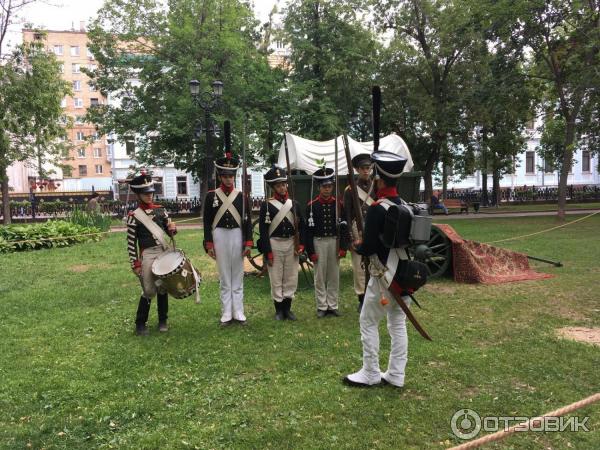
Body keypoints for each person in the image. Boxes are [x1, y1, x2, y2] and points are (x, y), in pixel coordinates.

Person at [344, 151, 412, 388]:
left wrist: (358, 246)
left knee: (368, 321)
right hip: (404, 275)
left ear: (380, 180)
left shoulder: (377, 208)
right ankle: (396, 374)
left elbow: (369, 246)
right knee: (397, 324)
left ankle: (371, 372)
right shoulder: (406, 206)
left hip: (384, 276)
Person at [203, 152, 252, 326]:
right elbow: (207, 221)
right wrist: (209, 243)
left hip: (237, 234)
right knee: (225, 275)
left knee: (237, 274)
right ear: (220, 176)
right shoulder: (211, 196)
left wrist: (248, 243)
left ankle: (238, 311)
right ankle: (226, 313)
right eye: (225, 176)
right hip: (220, 235)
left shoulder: (242, 196)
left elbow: (247, 222)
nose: (229, 179)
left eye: (231, 176)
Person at [126, 173, 177, 336]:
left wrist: (172, 229)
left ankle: (163, 320)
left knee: (162, 287)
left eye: (150, 192)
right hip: (147, 254)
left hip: (163, 251)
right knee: (148, 290)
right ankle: (140, 323)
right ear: (138, 195)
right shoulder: (134, 216)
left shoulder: (161, 211)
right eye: (145, 193)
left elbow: (171, 233)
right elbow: (131, 242)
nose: (149, 195)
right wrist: (135, 263)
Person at [258, 166, 305, 321]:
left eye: (284, 184)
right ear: (274, 188)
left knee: (291, 277)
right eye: (278, 185)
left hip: (291, 243)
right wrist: (268, 252)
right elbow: (264, 231)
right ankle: (279, 310)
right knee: (276, 277)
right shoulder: (266, 205)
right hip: (275, 244)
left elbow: (302, 227)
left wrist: (301, 244)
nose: (282, 187)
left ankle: (288, 309)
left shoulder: (295, 204)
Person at [305, 167, 348, 317]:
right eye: (324, 186)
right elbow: (308, 232)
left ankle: (333, 305)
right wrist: (311, 252)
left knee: (334, 275)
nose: (327, 189)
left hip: (334, 241)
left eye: (329, 186)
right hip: (319, 242)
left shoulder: (338, 205)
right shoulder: (312, 205)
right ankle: (322, 306)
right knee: (320, 276)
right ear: (319, 187)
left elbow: (344, 227)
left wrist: (343, 247)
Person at [343, 153, 376, 313]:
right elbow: (348, 216)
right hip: (358, 230)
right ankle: (362, 298)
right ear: (356, 169)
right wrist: (351, 237)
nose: (365, 171)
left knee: (376, 264)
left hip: (374, 228)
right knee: (359, 267)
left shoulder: (375, 187)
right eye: (363, 168)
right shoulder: (350, 190)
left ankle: (375, 296)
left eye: (368, 168)